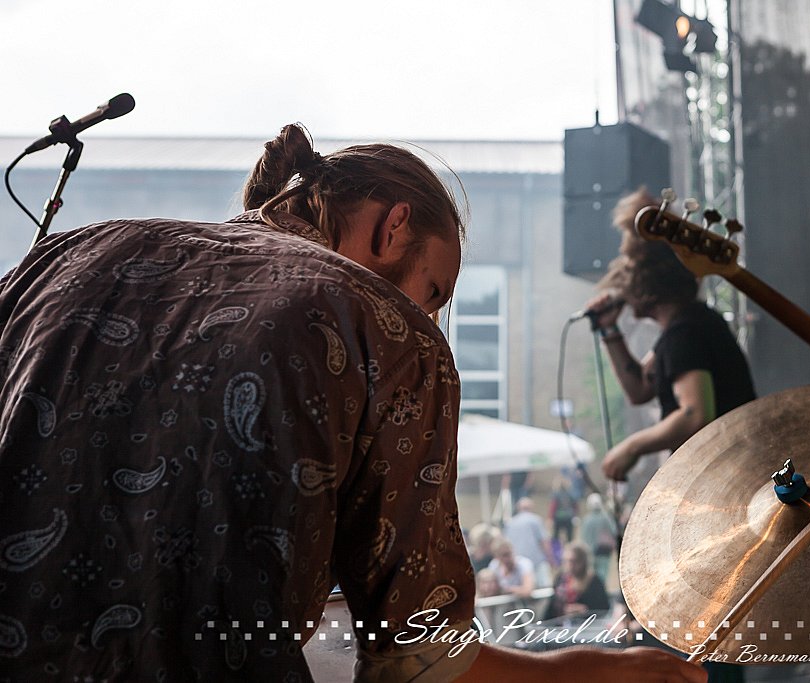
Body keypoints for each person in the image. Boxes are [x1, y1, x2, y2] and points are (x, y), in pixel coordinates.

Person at [0, 124, 708, 683]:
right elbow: (418, 660)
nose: (430, 320)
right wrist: (586, 670)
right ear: (394, 225)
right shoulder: (388, 329)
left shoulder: (61, 259)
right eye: (434, 292)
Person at [587, 189, 756, 482]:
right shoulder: (687, 326)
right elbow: (640, 388)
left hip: (732, 475)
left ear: (648, 287)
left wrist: (632, 446)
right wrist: (609, 330)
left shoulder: (686, 332)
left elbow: (694, 414)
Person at [543, 542, 610, 622]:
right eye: (566, 561)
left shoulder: (594, 582)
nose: (569, 565)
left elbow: (603, 608)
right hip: (559, 624)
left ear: (582, 562)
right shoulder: (561, 579)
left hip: (585, 624)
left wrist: (585, 610)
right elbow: (552, 605)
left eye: (573, 561)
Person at [502, 496, 555, 587]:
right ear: (531, 507)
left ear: (518, 508)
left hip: (518, 563)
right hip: (537, 561)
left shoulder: (510, 523)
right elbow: (544, 541)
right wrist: (550, 558)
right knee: (544, 587)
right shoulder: (536, 520)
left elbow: (505, 543)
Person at [579, 492, 617, 582]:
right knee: (603, 574)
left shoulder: (586, 520)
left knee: (592, 575)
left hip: (590, 552)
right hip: (604, 551)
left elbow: (583, 537)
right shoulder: (606, 517)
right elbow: (614, 531)